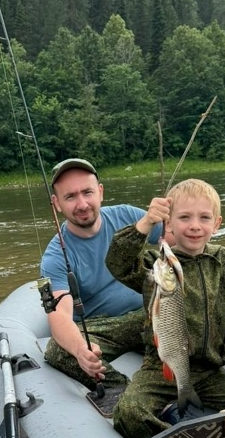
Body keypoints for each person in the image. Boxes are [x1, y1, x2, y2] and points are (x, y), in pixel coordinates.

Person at [105, 178, 225, 438]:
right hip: (160, 369)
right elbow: (119, 264)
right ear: (169, 224)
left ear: (216, 224)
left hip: (210, 370)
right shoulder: (156, 265)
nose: (195, 225)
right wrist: (145, 223)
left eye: (204, 217)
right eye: (184, 217)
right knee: (128, 413)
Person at [40, 158, 162, 389]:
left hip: (153, 312)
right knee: (58, 351)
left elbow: (177, 238)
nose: (82, 204)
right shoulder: (54, 257)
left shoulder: (128, 216)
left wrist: (176, 212)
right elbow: (59, 316)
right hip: (107, 328)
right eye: (70, 197)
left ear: (100, 192)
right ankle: (126, 393)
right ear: (56, 203)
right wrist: (80, 348)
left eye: (87, 192)